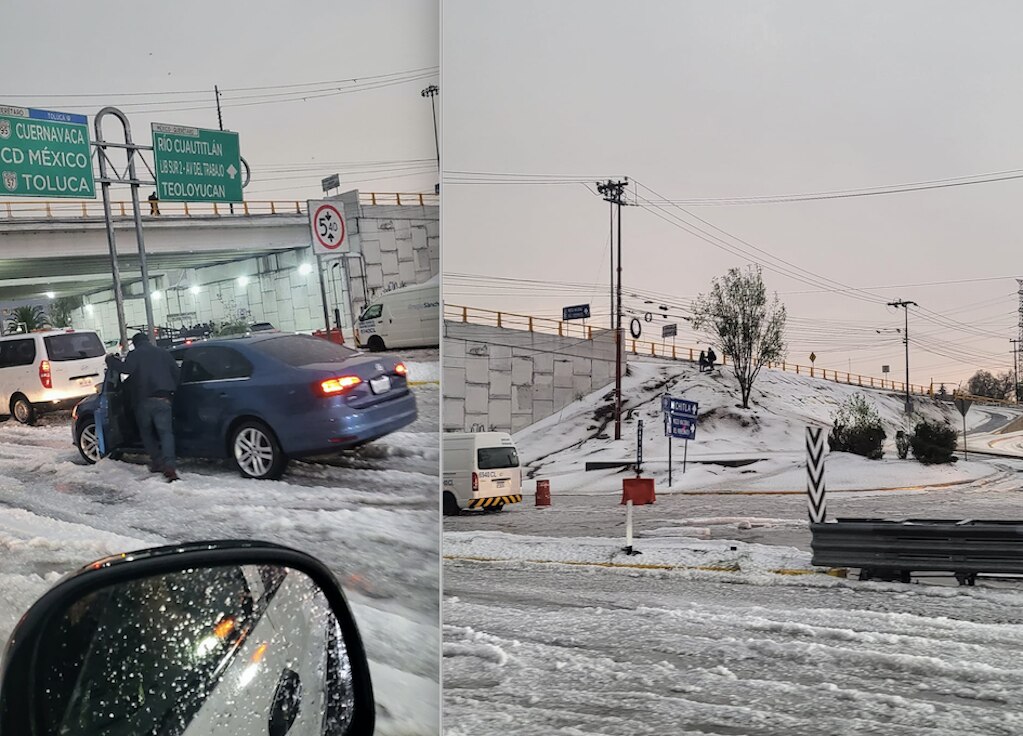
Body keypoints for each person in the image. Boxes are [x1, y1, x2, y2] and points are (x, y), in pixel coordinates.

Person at [106, 332, 181, 481]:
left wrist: (111, 361)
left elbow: (126, 369)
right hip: (163, 399)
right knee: (166, 433)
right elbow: (177, 374)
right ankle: (170, 467)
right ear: (147, 340)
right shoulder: (164, 353)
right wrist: (172, 391)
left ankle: (157, 462)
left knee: (146, 433)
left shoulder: (135, 354)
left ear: (135, 343)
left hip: (143, 401)